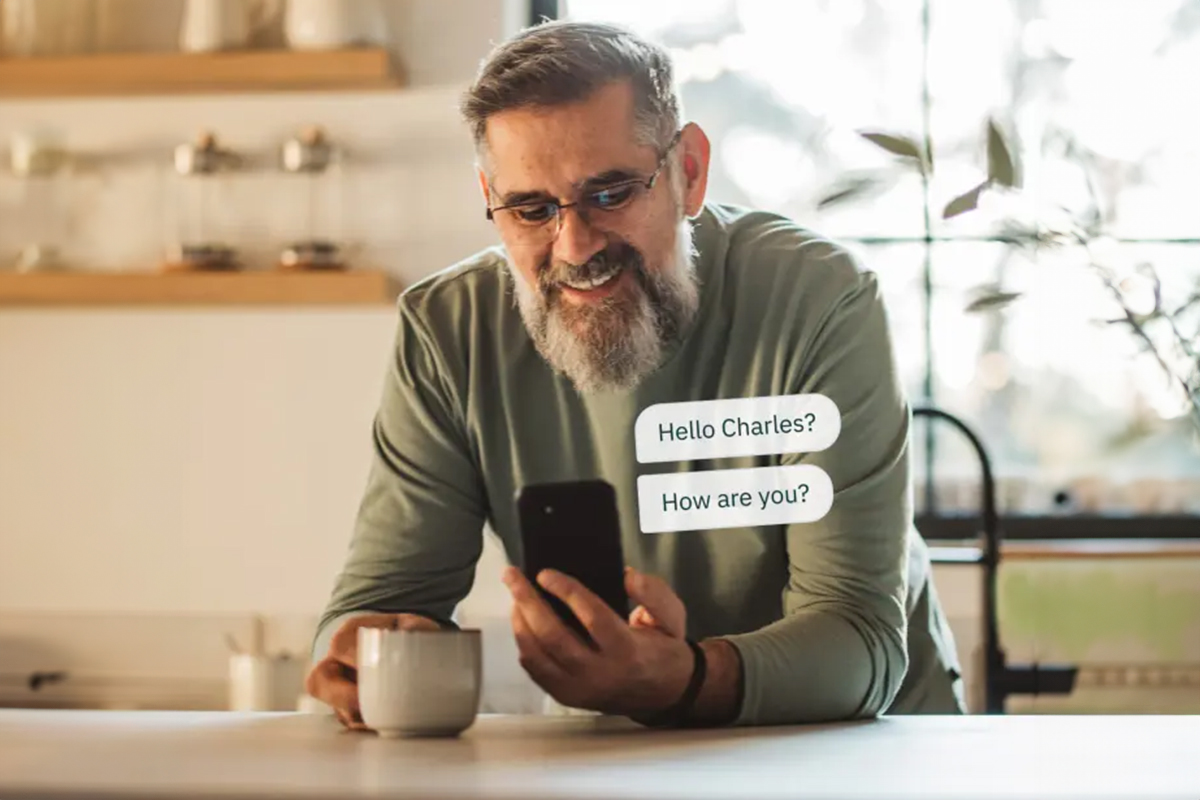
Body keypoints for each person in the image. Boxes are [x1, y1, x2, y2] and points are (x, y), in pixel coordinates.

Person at [305, 20, 965, 730]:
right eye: (530, 209)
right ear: (490, 198)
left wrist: (684, 679)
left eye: (611, 193)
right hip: (619, 751)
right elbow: (380, 606)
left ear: (688, 172)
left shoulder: (820, 300)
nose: (575, 245)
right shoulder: (447, 332)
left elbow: (858, 640)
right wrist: (358, 659)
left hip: (867, 747)